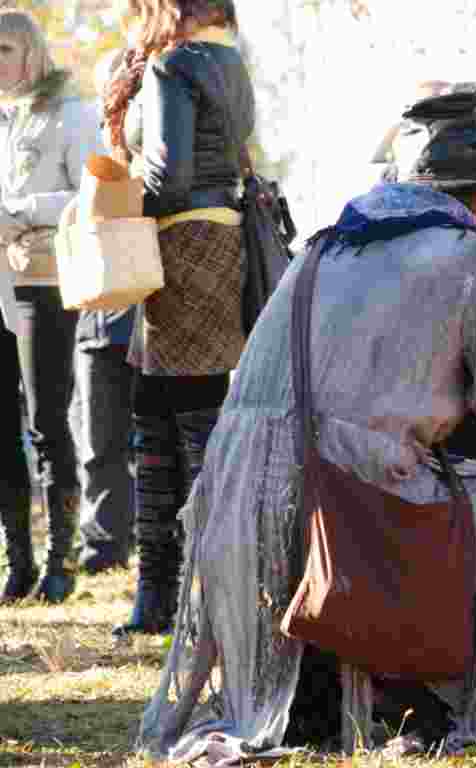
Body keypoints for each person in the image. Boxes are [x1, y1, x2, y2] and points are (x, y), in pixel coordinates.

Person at [136, 89, 476, 763]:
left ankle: (333, 671)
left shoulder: (320, 251)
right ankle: (411, 682)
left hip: (239, 526)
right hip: (354, 514)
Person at [102, 0, 255, 635]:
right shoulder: (228, 62)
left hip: (181, 241)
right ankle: (180, 590)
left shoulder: (171, 65)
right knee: (187, 415)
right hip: (219, 240)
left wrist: (111, 190)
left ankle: (174, 593)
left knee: (171, 419)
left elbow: (168, 173)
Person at [0, 10, 102, 604]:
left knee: (47, 422)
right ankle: (18, 560)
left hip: (44, 280)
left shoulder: (72, 113)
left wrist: (22, 211)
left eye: (6, 50)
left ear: (33, 54)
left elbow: (94, 193)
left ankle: (60, 561)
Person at [70, 47, 137, 575]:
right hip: (97, 316)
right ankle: (103, 551)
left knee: (142, 442)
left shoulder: (146, 144)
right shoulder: (93, 149)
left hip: (144, 313)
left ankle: (151, 547)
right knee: (96, 439)